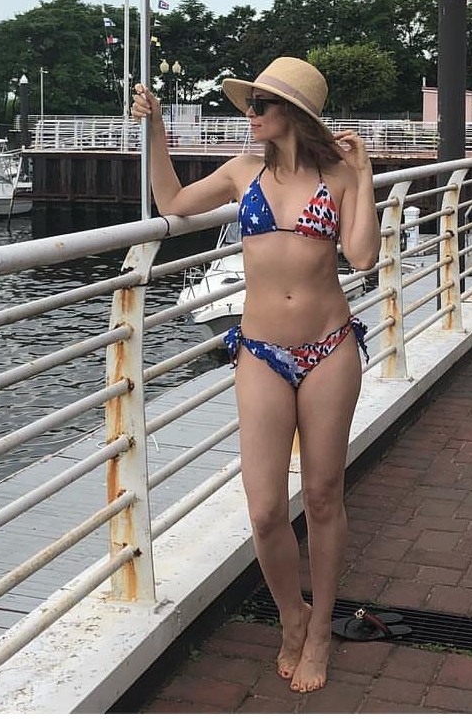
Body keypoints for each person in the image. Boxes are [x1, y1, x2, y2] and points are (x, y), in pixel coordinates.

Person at [131, 56, 380, 693]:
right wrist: (155, 130)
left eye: (260, 105)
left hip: (330, 348)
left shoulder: (338, 176)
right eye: (250, 104)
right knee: (266, 507)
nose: (250, 114)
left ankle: (319, 630)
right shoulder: (242, 171)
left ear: (292, 114)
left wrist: (363, 175)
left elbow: (361, 256)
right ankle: (291, 616)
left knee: (323, 496)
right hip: (261, 351)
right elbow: (173, 202)